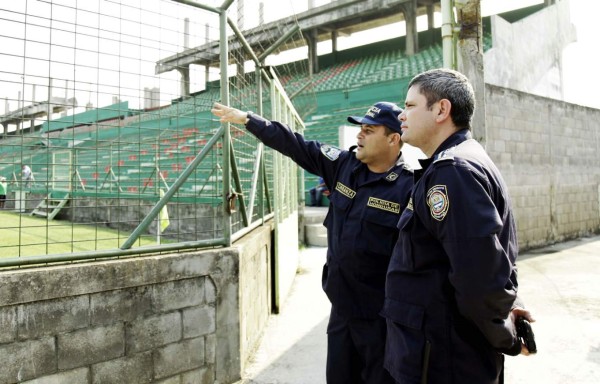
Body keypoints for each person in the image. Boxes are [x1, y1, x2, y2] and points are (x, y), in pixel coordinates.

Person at [212, 101, 413, 384]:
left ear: (393, 139)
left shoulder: (409, 187)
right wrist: (248, 120)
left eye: (368, 130)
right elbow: (295, 144)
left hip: (381, 322)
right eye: (360, 129)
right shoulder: (344, 165)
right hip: (342, 312)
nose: (359, 136)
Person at [382, 68, 534, 384]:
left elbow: (477, 277)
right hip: (441, 352)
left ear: (441, 109)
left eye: (410, 106)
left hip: (443, 359)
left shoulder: (453, 172)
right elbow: (486, 256)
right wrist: (509, 306)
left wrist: (504, 334)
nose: (401, 115)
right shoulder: (464, 161)